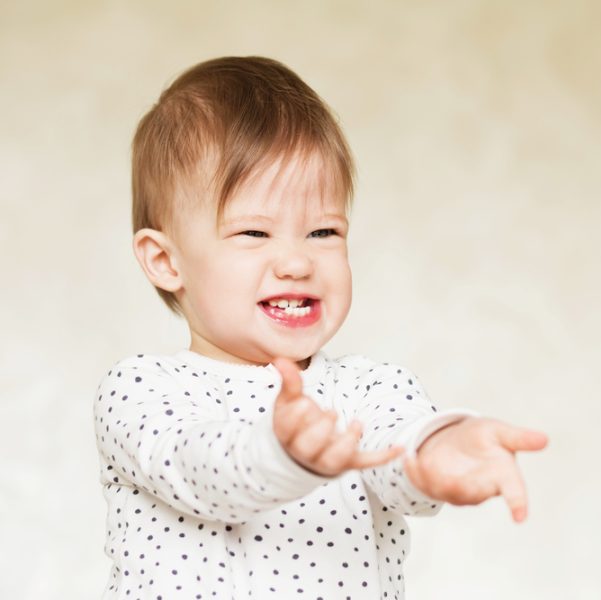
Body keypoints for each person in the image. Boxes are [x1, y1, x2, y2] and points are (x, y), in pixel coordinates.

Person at [93, 56, 548, 600]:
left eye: (323, 231)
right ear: (166, 262)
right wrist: (284, 453)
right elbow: (201, 470)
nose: (297, 263)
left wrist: (438, 451)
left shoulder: (369, 388)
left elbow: (396, 451)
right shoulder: (143, 388)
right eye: (254, 233)